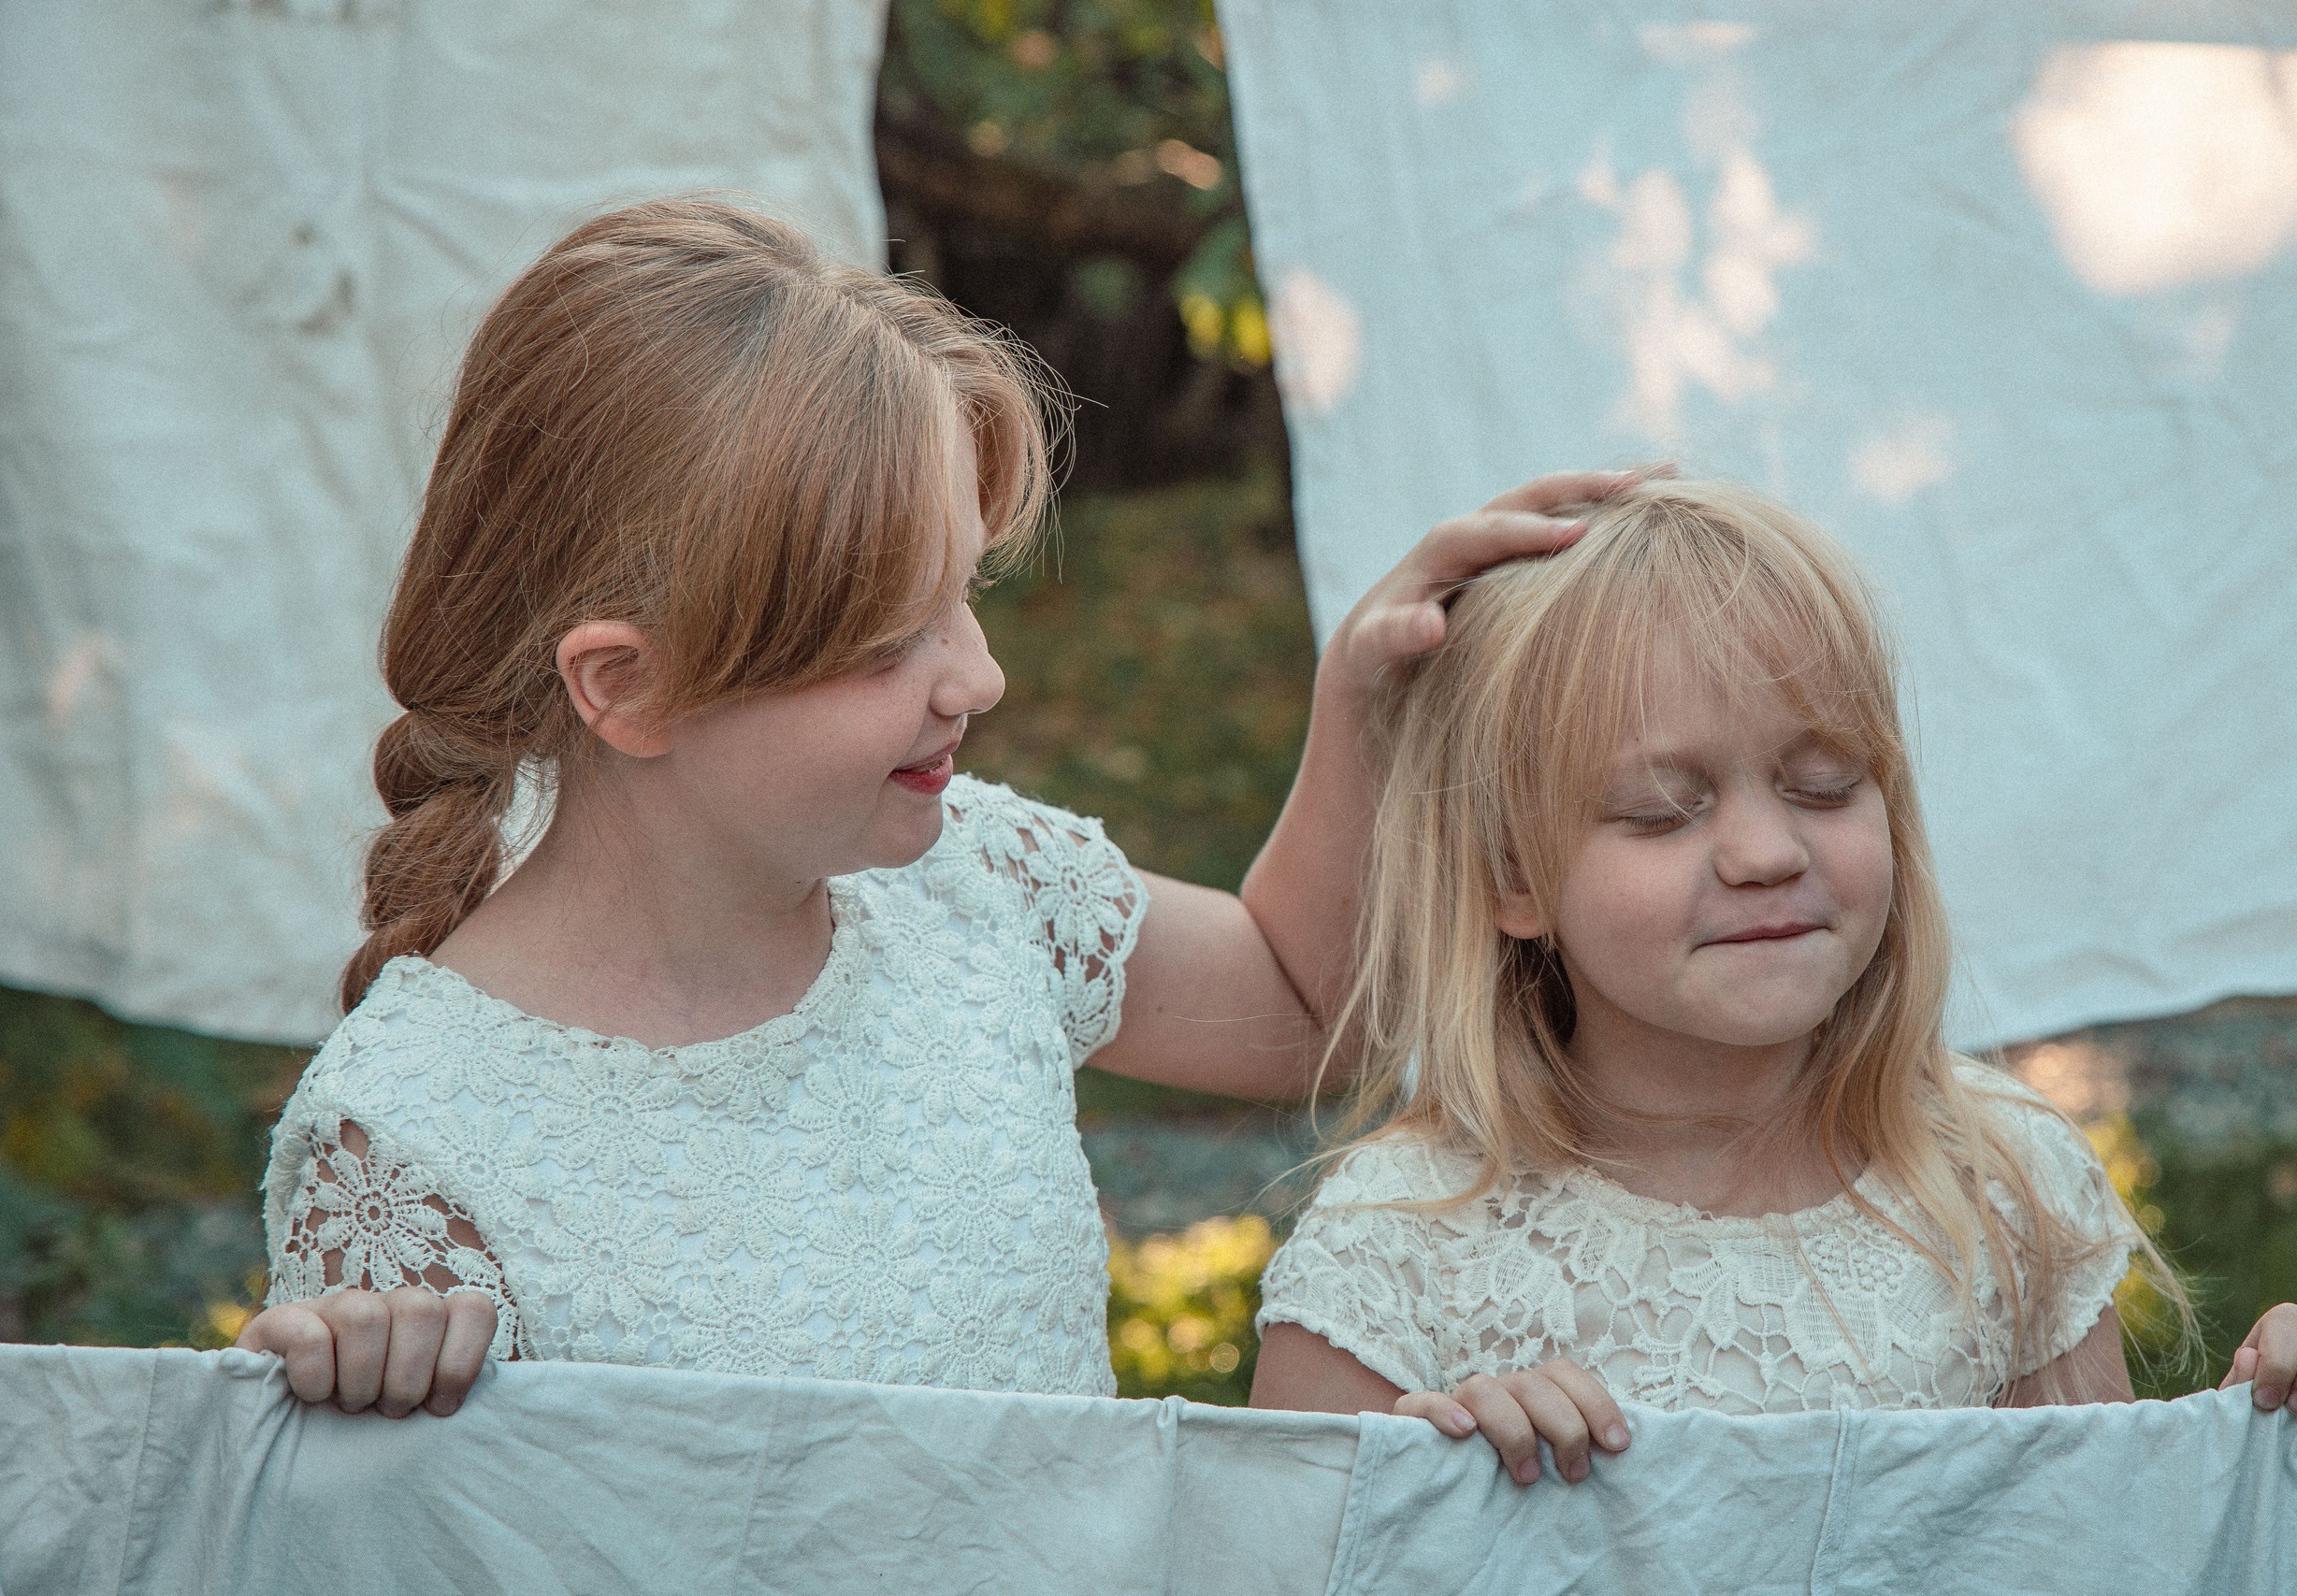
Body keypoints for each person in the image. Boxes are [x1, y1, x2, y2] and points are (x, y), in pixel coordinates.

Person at [235, 196, 1630, 1418]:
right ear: (629, 687)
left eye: (967, 595)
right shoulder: (413, 1143)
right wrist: (378, 1393)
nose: (981, 672)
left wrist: (1361, 704)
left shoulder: (980, 885)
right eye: (889, 641)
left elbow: (1304, 1004)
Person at [1249, 478, 2297, 1475]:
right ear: (1511, 875)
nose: (1764, 853)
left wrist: (2268, 1448)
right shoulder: (1394, 1252)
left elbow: (2095, 1547)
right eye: (1662, 809)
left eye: (1823, 784)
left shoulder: (2002, 1186)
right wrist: (1437, 1505)